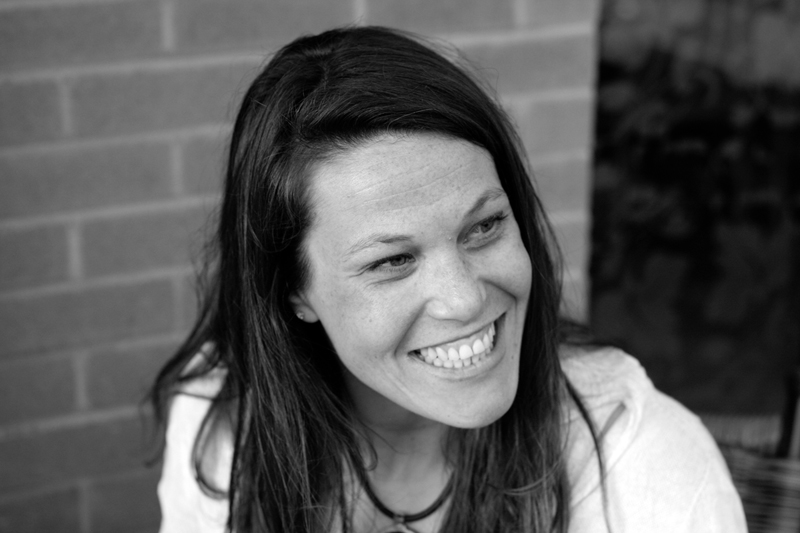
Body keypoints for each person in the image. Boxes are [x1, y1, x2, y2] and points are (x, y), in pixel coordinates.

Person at [151, 26, 747, 533]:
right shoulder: (223, 431)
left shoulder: (643, 466)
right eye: (392, 261)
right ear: (293, 289)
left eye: (484, 227)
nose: (464, 300)